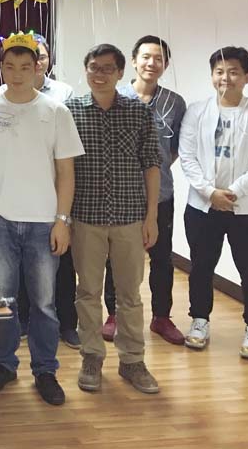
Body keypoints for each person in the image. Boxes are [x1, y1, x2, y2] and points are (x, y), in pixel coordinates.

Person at [0, 34, 84, 406]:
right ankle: (3, 364)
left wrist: (62, 220)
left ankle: (45, 370)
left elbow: (66, 172)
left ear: (37, 68)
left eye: (25, 67)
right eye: (10, 67)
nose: (17, 74)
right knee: (3, 300)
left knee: (44, 303)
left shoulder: (55, 111)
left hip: (43, 223)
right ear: (0, 68)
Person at [66, 44, 162, 395]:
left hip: (129, 217)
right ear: (86, 70)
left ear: (121, 72)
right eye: (94, 67)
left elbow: (152, 165)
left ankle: (132, 360)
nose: (100, 74)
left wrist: (151, 217)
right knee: (88, 292)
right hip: (85, 217)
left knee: (130, 294)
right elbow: (62, 168)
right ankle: (92, 356)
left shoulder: (138, 112)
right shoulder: (70, 111)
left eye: (108, 68)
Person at [178, 46, 248, 360]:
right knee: (201, 267)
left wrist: (231, 192)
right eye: (219, 71)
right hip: (202, 207)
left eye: (234, 72)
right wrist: (210, 193)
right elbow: (187, 156)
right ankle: (199, 320)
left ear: (247, 77)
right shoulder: (197, 111)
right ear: (212, 76)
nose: (226, 78)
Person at [101, 36, 188, 345]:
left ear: (165, 64)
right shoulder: (115, 97)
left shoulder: (175, 103)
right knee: (116, 258)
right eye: (146, 57)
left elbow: (174, 149)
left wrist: (155, 170)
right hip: (120, 195)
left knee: (162, 258)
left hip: (160, 194)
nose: (152, 63)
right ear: (134, 61)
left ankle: (161, 317)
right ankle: (114, 314)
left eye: (159, 58)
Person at [8, 34, 77, 345]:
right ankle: (22, 324)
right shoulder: (0, 99)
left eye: (37, 58)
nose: (24, 70)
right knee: (22, 275)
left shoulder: (63, 96)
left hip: (52, 199)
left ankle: (66, 326)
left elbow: (66, 161)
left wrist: (63, 215)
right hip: (15, 200)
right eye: (14, 65)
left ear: (42, 62)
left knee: (59, 271)